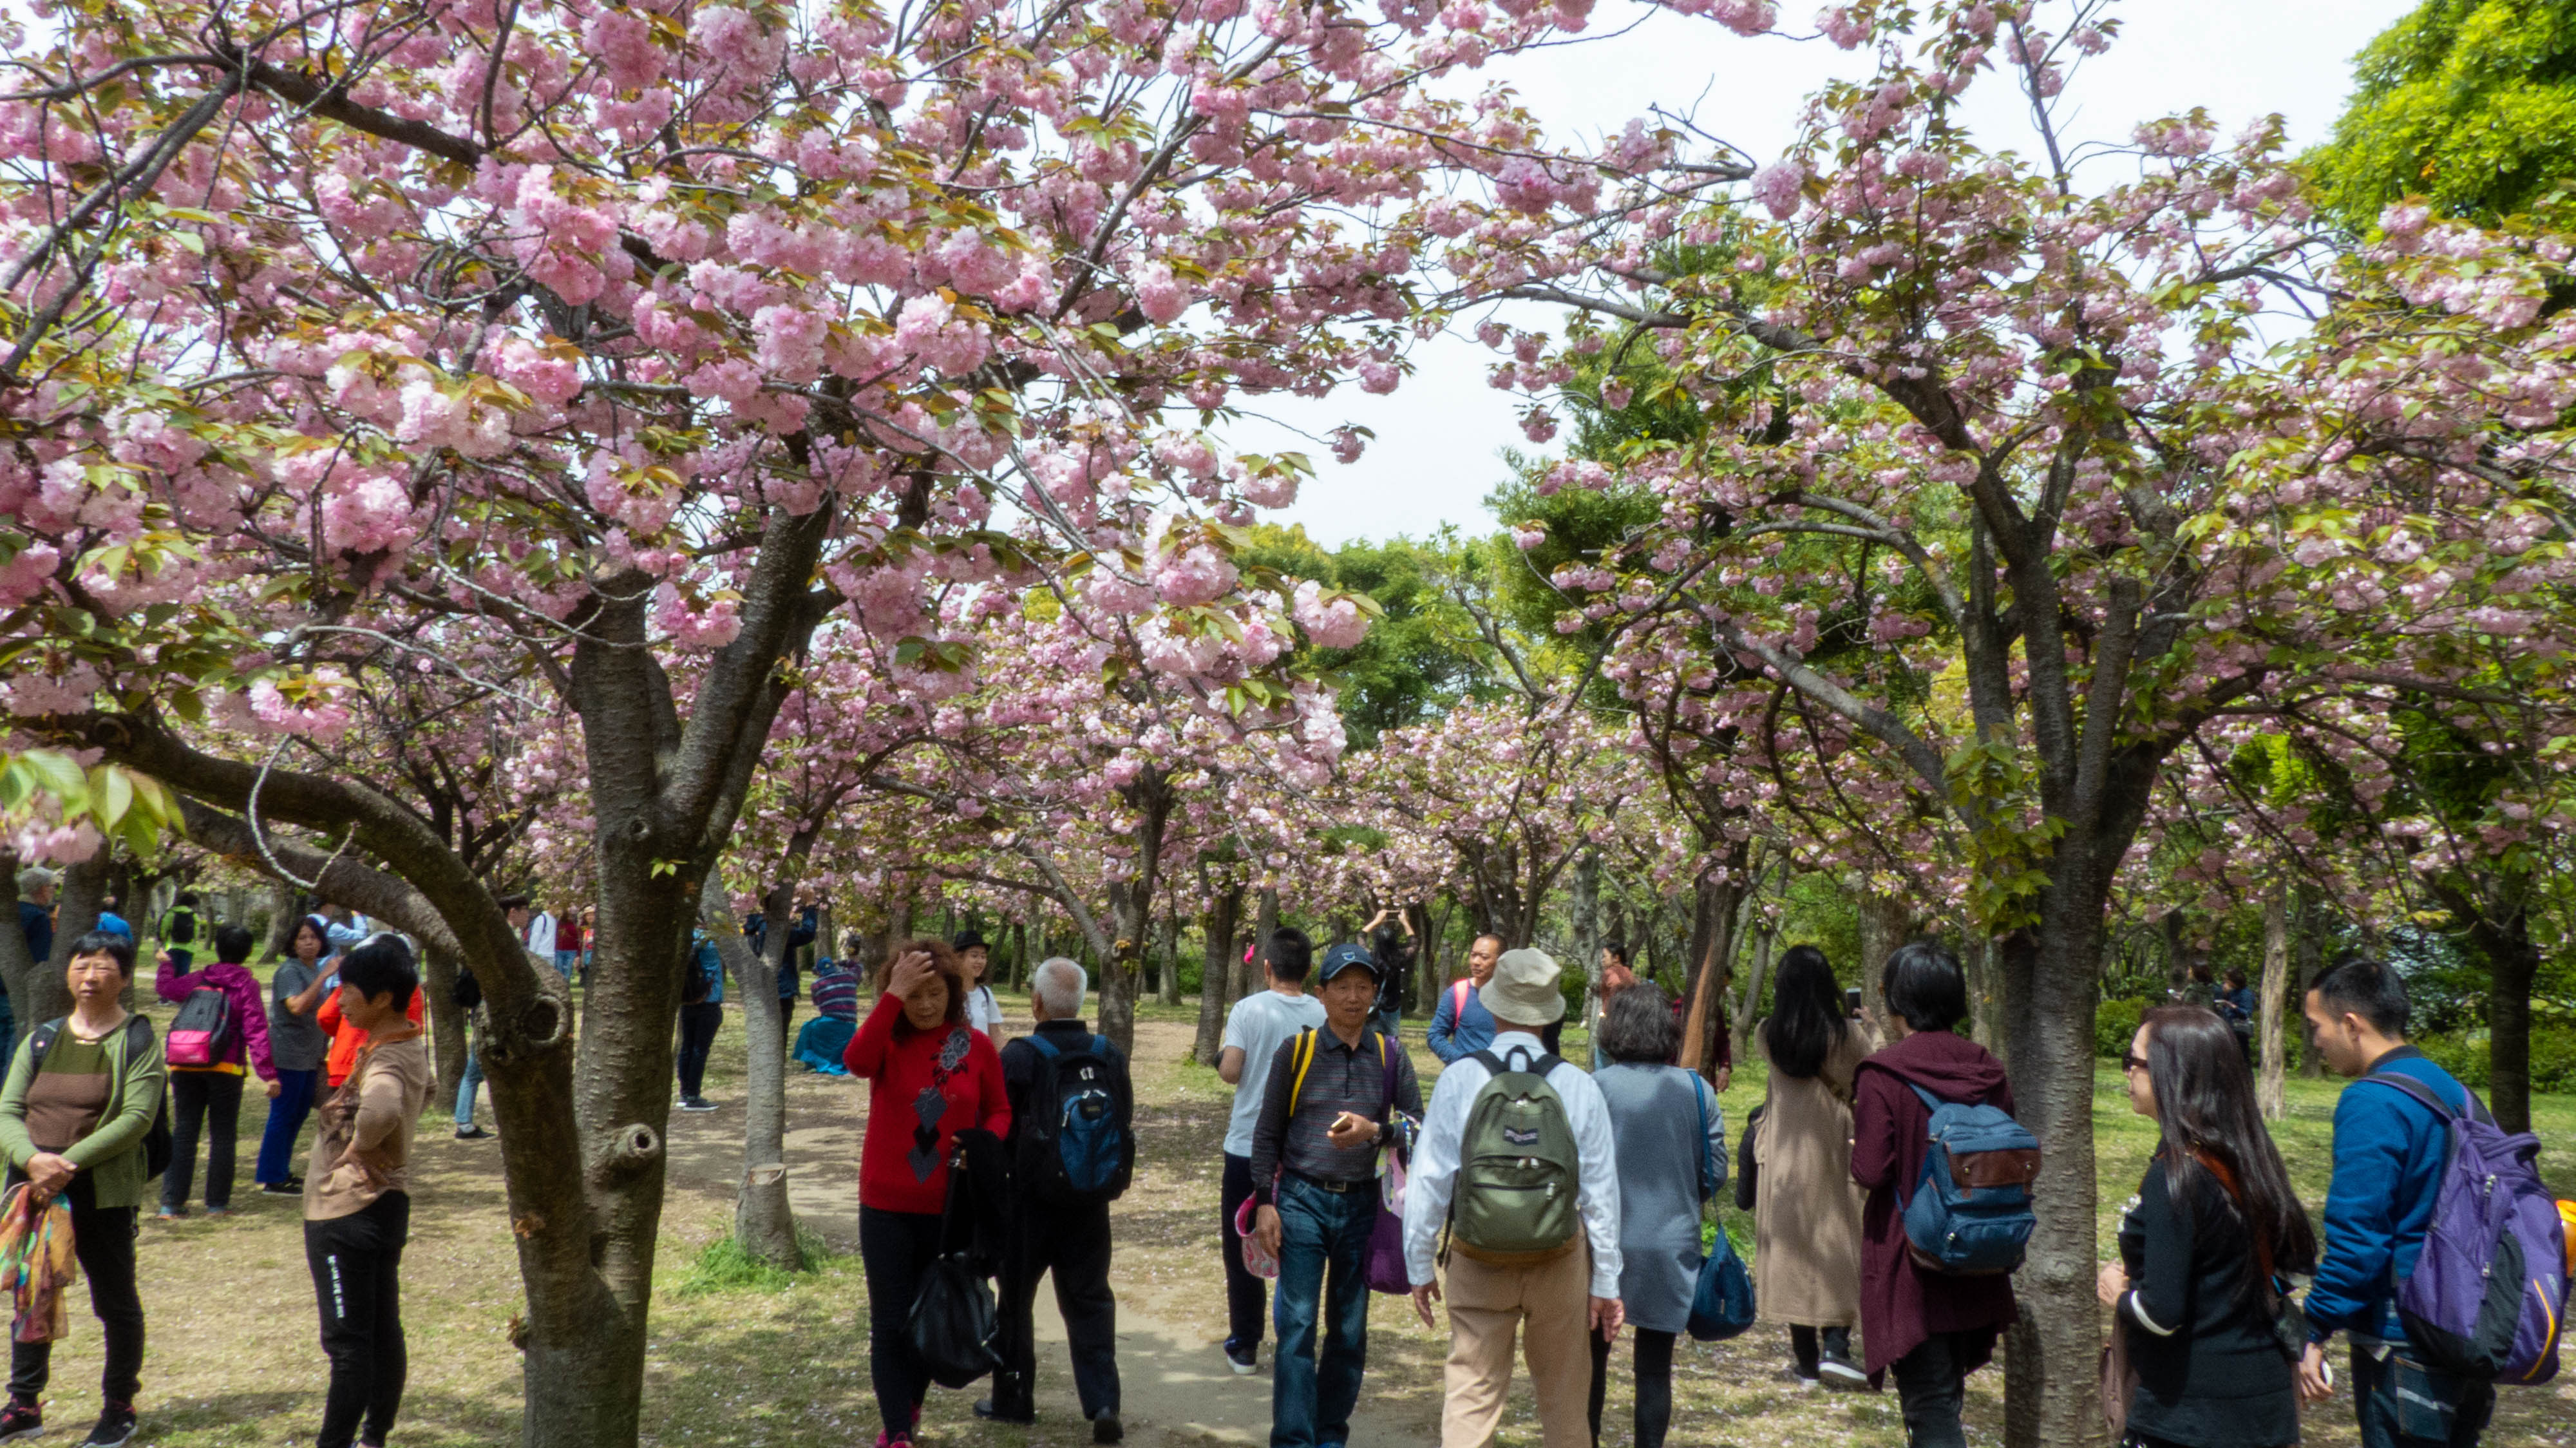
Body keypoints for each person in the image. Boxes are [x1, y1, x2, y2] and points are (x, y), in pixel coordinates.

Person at [1403, 947, 1621, 1448]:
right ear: (1550, 1013)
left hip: (1478, 1257)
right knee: (1566, 1401)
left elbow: (1430, 1179)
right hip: (1559, 1258)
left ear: (1492, 1004)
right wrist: (1606, 1280)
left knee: (1471, 1396)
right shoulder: (1578, 1085)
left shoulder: (1460, 1078)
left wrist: (1418, 1264)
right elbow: (1601, 1193)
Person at [2295, 958, 2492, 1448]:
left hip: (2403, 1340)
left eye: (2316, 1026)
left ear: (2351, 1024)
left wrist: (2313, 1329)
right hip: (2467, 1328)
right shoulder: (2454, 1091)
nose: (2315, 1041)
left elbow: (2359, 1241)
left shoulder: (2373, 1102)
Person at [2099, 1006, 2313, 1448]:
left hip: (2190, 1415)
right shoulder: (2251, 1158)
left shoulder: (2176, 1175)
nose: (2127, 1072)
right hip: (2264, 1406)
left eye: (2135, 1061)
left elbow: (2161, 1314)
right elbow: (2293, 1270)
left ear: (2173, 1073)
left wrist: (2118, 1295)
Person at [1249, 940, 1421, 1448]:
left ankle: (1329, 1434)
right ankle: (1293, 1438)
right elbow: (1267, 1133)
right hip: (1300, 1199)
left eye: (1363, 987)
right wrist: (1264, 1203)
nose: (1353, 997)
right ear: (1321, 994)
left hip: (1362, 1206)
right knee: (1297, 1324)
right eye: (1342, 987)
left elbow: (1420, 1128)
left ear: (1375, 993)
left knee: (1348, 1330)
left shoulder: (1391, 1055)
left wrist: (1377, 1131)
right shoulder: (1296, 1052)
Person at [0, 930, 165, 1447]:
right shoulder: (42, 1038)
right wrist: (32, 1160)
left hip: (100, 1192)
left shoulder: (137, 1039)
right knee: (33, 1296)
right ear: (67, 974)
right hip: (34, 1190)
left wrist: (66, 1163)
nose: (90, 977)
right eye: (81, 966)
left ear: (124, 977)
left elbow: (138, 1118)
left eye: (103, 967)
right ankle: (24, 1405)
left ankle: (120, 1406)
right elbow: (8, 1109)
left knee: (115, 1301)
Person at [1852, 942, 2020, 1448]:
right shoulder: (1988, 1069)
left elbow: (1871, 1171)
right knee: (1943, 1399)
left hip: (1914, 1263)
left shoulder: (1883, 1073)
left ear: (1897, 1001)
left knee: (1929, 1411)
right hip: (1981, 1253)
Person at [843, 940, 1009, 1448]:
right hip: (885, 1205)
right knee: (890, 1321)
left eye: (935, 993)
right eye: (914, 995)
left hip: (948, 1207)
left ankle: (910, 1404)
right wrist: (893, 994)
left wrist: (982, 1144)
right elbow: (855, 1061)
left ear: (953, 992)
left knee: (926, 1314)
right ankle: (897, 1431)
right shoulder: (886, 1043)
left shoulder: (974, 1046)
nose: (925, 1004)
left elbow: (1000, 1110)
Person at [983, 958, 1128, 1442]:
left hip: (1029, 1204)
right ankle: (1103, 1402)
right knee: (1090, 1300)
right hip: (1090, 1202)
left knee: (1015, 1301)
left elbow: (1001, 1127)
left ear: (1037, 1002)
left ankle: (1014, 1400)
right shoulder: (1108, 1054)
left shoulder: (1020, 1056)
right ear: (1082, 1001)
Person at [303, 933, 435, 1448]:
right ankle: (374, 1436)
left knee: (349, 1344)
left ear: (381, 998)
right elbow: (429, 1089)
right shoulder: (405, 1044)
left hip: (348, 1212)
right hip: (385, 1205)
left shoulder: (386, 1059)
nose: (340, 1000)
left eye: (349, 990)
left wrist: (358, 1148)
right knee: (382, 1330)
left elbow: (381, 1107)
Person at [1587, 983, 1720, 1448]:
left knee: (1592, 1361)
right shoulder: (1697, 1090)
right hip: (1670, 1240)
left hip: (1602, 1242)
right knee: (1655, 1369)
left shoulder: (1595, 1087)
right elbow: (1716, 1172)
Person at [1754, 944, 1874, 1388]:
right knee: (1839, 1238)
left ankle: (1805, 1360)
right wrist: (1870, 1027)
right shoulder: (1846, 1037)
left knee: (1791, 1249)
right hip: (1833, 1150)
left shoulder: (1768, 1034)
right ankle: (1836, 1348)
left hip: (1783, 1158)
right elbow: (1871, 1070)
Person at [1215, 927, 1328, 1375]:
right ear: (1309, 971)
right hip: (1303, 1150)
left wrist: (1220, 1057)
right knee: (1298, 1246)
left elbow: (1231, 1070)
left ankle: (1245, 1343)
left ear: (1267, 967)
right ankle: (1295, 1342)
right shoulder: (1323, 1011)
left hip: (1247, 1144)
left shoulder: (1249, 1009)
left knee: (1242, 1243)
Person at [154, 924, 280, 1217]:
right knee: (223, 1135)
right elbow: (256, 1029)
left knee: (185, 1132)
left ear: (218, 948)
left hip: (185, 1061)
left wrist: (166, 965)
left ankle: (171, 1203)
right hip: (226, 1066)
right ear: (249, 952)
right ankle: (217, 1203)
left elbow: (167, 989)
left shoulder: (200, 978)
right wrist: (268, 1073)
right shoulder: (246, 984)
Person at [258, 915, 336, 1195]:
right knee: (283, 1114)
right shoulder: (290, 971)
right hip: (288, 1054)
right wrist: (325, 976)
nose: (308, 943)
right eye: (302, 938)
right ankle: (272, 1177)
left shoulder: (312, 970)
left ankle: (282, 1170)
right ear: (292, 943)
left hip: (310, 1055)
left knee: (299, 1113)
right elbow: (297, 1006)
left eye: (313, 937)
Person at [1425, 933, 1504, 1063]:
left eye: (1484, 957)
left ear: (1501, 960)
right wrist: (1462, 1061)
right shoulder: (1458, 992)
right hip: (1466, 1073)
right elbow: (1435, 1036)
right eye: (1473, 955)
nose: (1476, 962)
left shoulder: (1512, 996)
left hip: (1501, 1074)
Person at [676, 929, 724, 1112]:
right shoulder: (710, 940)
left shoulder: (684, 936)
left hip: (688, 1000)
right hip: (709, 1000)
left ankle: (685, 1093)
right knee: (700, 1050)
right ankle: (693, 1096)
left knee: (687, 1047)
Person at [6, 866, 48, 1063]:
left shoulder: (8, 911)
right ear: (42, 888)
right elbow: (41, 960)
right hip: (16, 993)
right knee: (13, 1048)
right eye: (53, 887)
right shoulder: (38, 917)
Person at [451, 965, 491, 1139]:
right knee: (474, 1075)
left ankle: (464, 1122)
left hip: (480, 1013)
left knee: (472, 1075)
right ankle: (464, 1124)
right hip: (488, 1014)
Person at [1363, 909, 1415, 1041]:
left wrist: (1376, 921)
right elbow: (1414, 944)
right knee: (1391, 1043)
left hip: (1374, 1006)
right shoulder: (1400, 958)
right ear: (1394, 942)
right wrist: (1405, 922)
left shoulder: (1371, 958)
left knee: (1372, 1041)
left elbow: (1360, 937)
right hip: (1393, 1006)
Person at [1586, 942, 1637, 1071]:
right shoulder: (1629, 973)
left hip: (1612, 1022)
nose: (1602, 960)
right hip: (1630, 1024)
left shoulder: (1610, 973)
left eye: (1605, 956)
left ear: (1616, 958)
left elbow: (1616, 986)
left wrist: (1608, 1013)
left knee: (1602, 1058)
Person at [954, 930, 1005, 1038]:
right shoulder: (947, 993)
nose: (980, 961)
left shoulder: (985, 993)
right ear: (958, 958)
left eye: (983, 957)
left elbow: (995, 1034)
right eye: (974, 956)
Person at [503, 896, 558, 976]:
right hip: (541, 955)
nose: (528, 915)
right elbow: (535, 938)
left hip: (551, 955)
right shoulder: (541, 919)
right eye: (525, 910)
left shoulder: (554, 920)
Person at [158, 892, 201, 973]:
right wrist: (194, 941)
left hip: (171, 947)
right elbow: (196, 933)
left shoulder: (171, 913)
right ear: (192, 905)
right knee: (183, 974)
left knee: (170, 972)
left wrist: (163, 939)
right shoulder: (194, 916)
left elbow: (163, 929)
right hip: (188, 948)